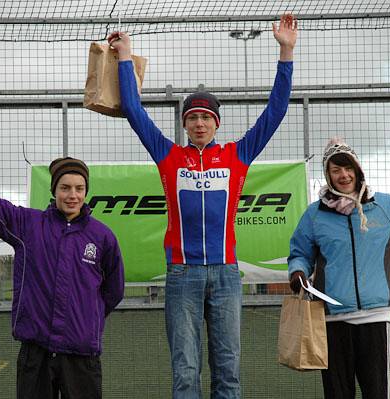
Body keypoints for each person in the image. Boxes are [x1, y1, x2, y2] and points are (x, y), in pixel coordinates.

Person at [107, 14, 297, 399]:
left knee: (227, 371)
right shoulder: (169, 156)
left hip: (226, 275)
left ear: (216, 123)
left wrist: (286, 50)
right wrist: (125, 57)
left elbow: (275, 112)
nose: (198, 123)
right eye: (191, 117)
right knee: (185, 371)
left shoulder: (236, 155)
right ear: (184, 123)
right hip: (182, 276)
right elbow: (133, 109)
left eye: (205, 117)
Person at [0, 109, 125, 399]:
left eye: (79, 188)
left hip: (81, 354)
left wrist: (86, 318)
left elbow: (112, 291)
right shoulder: (28, 226)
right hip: (36, 353)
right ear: (54, 190)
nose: (72, 195)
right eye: (65, 187)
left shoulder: (102, 236)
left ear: (86, 192)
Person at [288, 135, 390, 398]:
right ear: (327, 175)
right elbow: (299, 253)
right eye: (335, 170)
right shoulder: (314, 214)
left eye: (348, 167)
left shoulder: (385, 207)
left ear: (358, 169)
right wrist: (297, 272)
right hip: (331, 322)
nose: (343, 175)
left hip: (375, 320)